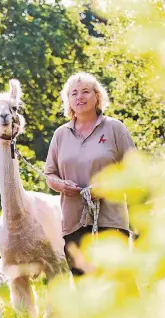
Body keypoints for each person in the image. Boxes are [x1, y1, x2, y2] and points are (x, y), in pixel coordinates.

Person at [44, 72, 136, 275]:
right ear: (68, 101)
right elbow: (50, 174)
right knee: (84, 288)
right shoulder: (60, 134)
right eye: (74, 93)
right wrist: (61, 185)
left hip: (111, 221)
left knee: (118, 286)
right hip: (73, 223)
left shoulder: (114, 128)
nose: (80, 97)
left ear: (97, 97)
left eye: (86, 91)